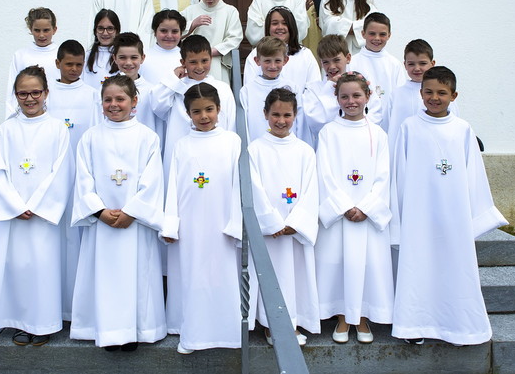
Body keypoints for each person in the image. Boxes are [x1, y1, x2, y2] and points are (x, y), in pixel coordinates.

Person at [390, 66, 508, 346]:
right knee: (418, 267)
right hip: (419, 213)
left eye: (441, 93)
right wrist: (401, 216)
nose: (434, 97)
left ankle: (460, 328)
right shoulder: (410, 128)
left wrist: (472, 217)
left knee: (454, 269)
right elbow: (400, 174)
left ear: (454, 96)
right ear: (420, 93)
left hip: (453, 215)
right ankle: (413, 326)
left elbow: (473, 174)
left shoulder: (463, 130)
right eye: (429, 92)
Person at [0, 66, 74, 347]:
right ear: (15, 95)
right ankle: (17, 320)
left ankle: (42, 324)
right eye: (23, 93)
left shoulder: (57, 128)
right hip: (13, 215)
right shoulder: (7, 130)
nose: (29, 98)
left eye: (35, 92)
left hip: (43, 216)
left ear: (46, 93)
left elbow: (62, 171)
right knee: (14, 266)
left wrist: (38, 205)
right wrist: (16, 205)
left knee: (42, 266)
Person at [70, 75, 166, 351]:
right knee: (106, 277)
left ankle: (137, 329)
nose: (114, 104)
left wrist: (132, 212)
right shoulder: (90, 137)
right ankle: (107, 328)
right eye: (108, 100)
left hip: (134, 225)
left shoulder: (147, 137)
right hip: (103, 224)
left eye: (120, 99)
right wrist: (99, 210)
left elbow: (153, 180)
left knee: (137, 276)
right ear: (100, 103)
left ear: (134, 101)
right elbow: (83, 179)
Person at [162, 83, 242, 354]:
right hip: (191, 224)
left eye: (209, 109)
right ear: (188, 114)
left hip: (222, 224)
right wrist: (171, 223)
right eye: (197, 111)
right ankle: (194, 335)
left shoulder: (233, 141)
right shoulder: (181, 145)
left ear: (219, 109)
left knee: (222, 277)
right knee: (192, 277)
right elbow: (172, 185)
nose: (204, 116)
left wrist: (236, 222)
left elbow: (239, 185)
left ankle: (227, 334)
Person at [314, 71, 394, 345]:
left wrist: (368, 207)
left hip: (367, 215)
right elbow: (324, 173)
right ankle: (340, 315)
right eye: (344, 96)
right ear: (336, 99)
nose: (351, 101)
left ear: (368, 97)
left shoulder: (379, 134)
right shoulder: (328, 133)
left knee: (366, 263)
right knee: (339, 262)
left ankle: (361, 316)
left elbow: (384, 175)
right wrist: (345, 206)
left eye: (356, 95)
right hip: (340, 215)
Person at [248, 88, 320, 346]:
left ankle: (295, 320)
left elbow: (312, 189)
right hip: (271, 232)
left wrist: (295, 222)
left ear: (295, 115)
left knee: (295, 276)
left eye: (287, 115)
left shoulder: (304, 151)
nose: (281, 120)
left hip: (293, 230)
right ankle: (271, 324)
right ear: (265, 114)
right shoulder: (255, 150)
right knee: (273, 275)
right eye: (275, 114)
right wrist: (272, 222)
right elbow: (253, 188)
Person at [46, 40, 101, 321]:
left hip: (80, 176)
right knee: (57, 243)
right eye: (69, 64)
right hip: (53, 179)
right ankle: (55, 302)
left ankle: (78, 305)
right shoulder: (47, 95)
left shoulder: (91, 94)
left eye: (79, 64)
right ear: (57, 63)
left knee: (78, 242)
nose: (75, 69)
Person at [150, 35, 236, 181]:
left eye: (204, 61)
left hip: (214, 153)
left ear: (211, 58)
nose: (200, 67)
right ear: (183, 62)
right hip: (182, 155)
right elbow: (157, 105)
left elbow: (230, 123)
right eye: (193, 62)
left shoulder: (223, 88)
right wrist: (173, 78)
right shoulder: (175, 87)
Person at [302, 34, 380, 142]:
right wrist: (329, 88)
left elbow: (375, 114)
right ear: (321, 63)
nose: (332, 67)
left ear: (348, 58)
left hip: (361, 140)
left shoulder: (361, 82)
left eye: (336, 60)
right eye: (326, 62)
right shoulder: (313, 90)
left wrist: (353, 129)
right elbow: (315, 123)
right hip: (331, 144)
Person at [385, 39, 458, 149]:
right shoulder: (396, 95)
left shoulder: (443, 95)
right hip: (401, 150)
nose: (417, 68)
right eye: (411, 64)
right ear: (404, 65)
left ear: (432, 63)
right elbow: (387, 125)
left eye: (422, 63)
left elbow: (452, 124)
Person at [347, 12, 407, 131]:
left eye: (382, 34)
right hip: (358, 124)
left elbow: (399, 98)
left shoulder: (394, 64)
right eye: (372, 34)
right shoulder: (352, 62)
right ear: (363, 34)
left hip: (387, 124)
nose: (377, 38)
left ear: (389, 35)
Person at [181, 0, 243, 83]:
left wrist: (210, 52)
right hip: (193, 63)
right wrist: (192, 24)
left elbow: (235, 38)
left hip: (217, 62)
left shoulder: (230, 11)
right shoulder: (190, 11)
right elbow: (176, 32)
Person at [240, 37, 301, 144]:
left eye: (277, 61)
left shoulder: (293, 88)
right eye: (267, 61)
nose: (273, 66)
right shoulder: (247, 91)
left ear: (285, 60)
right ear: (257, 61)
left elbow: (300, 122)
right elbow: (244, 125)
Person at [243, 6, 321, 90]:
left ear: (291, 27)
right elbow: (250, 88)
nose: (280, 27)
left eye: (285, 23)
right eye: (275, 23)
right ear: (268, 27)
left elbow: (314, 87)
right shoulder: (256, 54)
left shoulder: (305, 54)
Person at [4, 7, 61, 117]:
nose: (41, 35)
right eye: (37, 30)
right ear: (31, 29)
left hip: (56, 115)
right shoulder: (20, 56)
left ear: (54, 29)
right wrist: (10, 118)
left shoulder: (61, 55)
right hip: (27, 117)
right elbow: (11, 91)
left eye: (46, 30)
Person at [109, 32, 158, 133]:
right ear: (115, 58)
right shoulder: (106, 89)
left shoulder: (152, 91)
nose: (128, 63)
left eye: (134, 57)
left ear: (142, 58)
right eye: (122, 57)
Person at [140, 9, 185, 86]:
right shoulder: (142, 56)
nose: (169, 36)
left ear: (181, 33)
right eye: (163, 31)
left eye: (174, 31)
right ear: (154, 32)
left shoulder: (187, 57)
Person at [82, 9, 120, 89]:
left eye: (110, 28)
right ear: (95, 31)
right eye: (101, 28)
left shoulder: (122, 57)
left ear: (117, 31)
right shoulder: (85, 57)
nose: (105, 33)